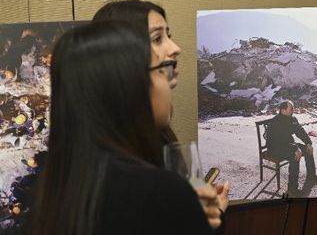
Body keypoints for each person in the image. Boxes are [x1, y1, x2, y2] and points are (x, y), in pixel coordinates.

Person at [28, 21, 223, 234]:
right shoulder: (160, 193)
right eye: (161, 70)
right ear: (131, 86)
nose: (168, 81)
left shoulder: (52, 189)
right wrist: (206, 222)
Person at [92, 0, 229, 227]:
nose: (175, 48)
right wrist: (205, 222)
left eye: (168, 35)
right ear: (121, 55)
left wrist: (200, 212)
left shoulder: (155, 132)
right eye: (157, 38)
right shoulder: (119, 166)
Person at [266, 100, 317, 196]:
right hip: (275, 147)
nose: (294, 110)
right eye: (291, 109)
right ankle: (292, 189)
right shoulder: (276, 122)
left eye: (293, 108)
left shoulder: (292, 119)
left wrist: (308, 143)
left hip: (288, 145)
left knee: (307, 149)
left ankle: (311, 175)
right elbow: (279, 140)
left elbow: (300, 131)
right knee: (295, 155)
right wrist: (295, 149)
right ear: (283, 110)